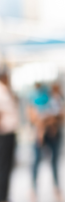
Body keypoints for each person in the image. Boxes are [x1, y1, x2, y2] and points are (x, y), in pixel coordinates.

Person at [27, 82, 65, 202]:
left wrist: (47, 122)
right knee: (36, 162)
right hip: (41, 134)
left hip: (50, 133)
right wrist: (43, 125)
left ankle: (56, 188)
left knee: (54, 162)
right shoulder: (36, 99)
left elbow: (61, 116)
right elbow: (33, 117)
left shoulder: (54, 99)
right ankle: (33, 189)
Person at [0, 71, 18, 202]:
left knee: (7, 165)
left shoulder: (7, 91)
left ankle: (4, 194)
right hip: (4, 133)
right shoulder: (1, 91)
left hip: (10, 132)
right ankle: (2, 195)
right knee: (4, 165)